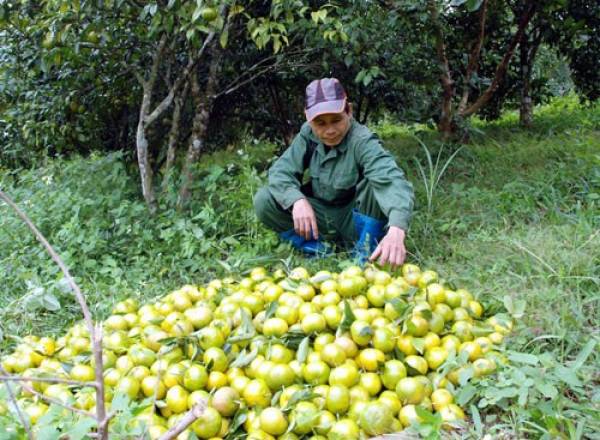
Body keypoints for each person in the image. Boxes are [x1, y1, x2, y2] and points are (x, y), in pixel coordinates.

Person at [253, 78, 414, 267]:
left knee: (375, 186)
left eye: (336, 120)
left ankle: (366, 253)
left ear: (349, 111)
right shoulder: (308, 135)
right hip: (319, 217)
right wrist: (296, 200)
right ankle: (317, 249)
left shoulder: (362, 140)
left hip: (355, 218)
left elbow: (391, 180)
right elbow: (281, 172)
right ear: (308, 118)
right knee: (264, 200)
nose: (330, 130)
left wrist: (397, 229)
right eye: (320, 123)